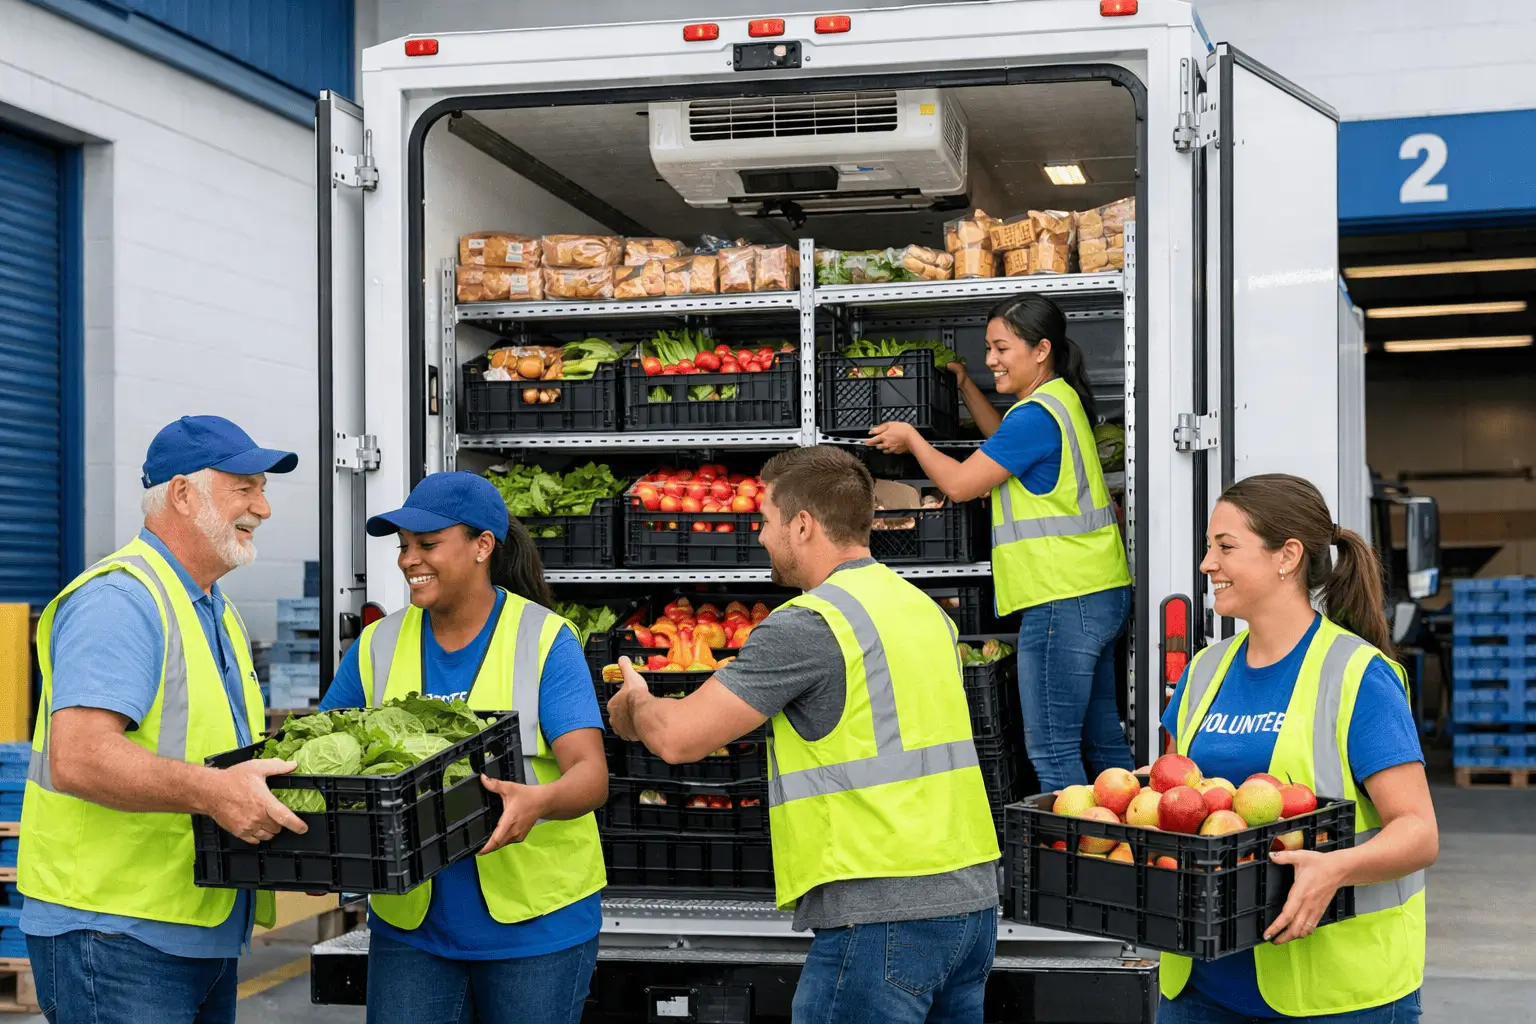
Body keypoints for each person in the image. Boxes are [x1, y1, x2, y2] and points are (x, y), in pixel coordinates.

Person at [607, 445, 1000, 1024]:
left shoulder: (811, 624)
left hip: (881, 915)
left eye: (765, 522)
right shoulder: (923, 611)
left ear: (803, 524)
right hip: (969, 904)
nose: (761, 538)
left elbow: (679, 738)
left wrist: (635, 703)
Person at [19, 414, 307, 1024]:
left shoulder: (210, 606)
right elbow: (80, 757)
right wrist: (216, 794)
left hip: (187, 922)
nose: (264, 507)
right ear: (182, 493)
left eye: (264, 489)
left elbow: (217, 755)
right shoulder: (120, 602)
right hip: (116, 933)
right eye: (246, 488)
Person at [318, 471, 607, 1024]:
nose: (408, 560)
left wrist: (537, 802)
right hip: (413, 929)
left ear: (482, 547)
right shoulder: (378, 643)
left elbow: (590, 776)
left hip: (535, 926)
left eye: (427, 545)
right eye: (403, 547)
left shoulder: (545, 638)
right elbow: (324, 749)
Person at [1157, 474, 1436, 1023]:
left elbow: (1419, 832)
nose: (1207, 564)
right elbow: (1177, 790)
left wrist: (1336, 868)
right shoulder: (1204, 672)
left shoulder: (1357, 674)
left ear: (1287, 556)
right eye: (1208, 547)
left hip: (1335, 994)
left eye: (1225, 547)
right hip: (1200, 985)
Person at [866, 294, 1133, 791]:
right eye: (988, 349)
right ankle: (1127, 853)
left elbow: (964, 484)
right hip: (1098, 591)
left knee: (1052, 753)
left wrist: (913, 440)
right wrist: (967, 388)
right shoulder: (1058, 400)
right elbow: (1003, 442)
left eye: (1000, 348)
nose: (990, 359)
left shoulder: (1034, 416)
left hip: (1061, 602)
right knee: (1102, 746)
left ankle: (1074, 862)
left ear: (1040, 349)